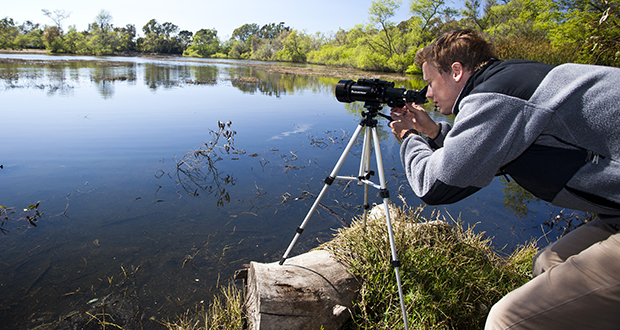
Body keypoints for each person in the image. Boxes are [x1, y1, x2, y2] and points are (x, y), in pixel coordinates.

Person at [389, 28, 620, 329]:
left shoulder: (494, 98)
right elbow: (486, 151)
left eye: (430, 82)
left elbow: (435, 185)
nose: (428, 93)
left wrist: (409, 138)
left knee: (506, 319)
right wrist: (433, 132)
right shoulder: (508, 80)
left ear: (456, 72)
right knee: (548, 263)